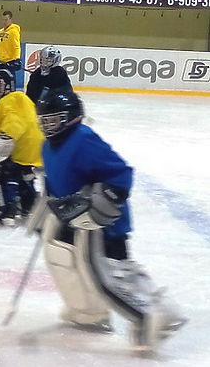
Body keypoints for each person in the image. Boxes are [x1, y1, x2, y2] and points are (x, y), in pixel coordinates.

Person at [32, 85, 186, 350]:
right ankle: (101, 312)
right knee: (114, 269)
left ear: (71, 117)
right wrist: (45, 210)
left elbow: (121, 173)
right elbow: (54, 183)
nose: (48, 127)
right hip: (76, 219)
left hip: (101, 223)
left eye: (54, 120)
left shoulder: (83, 139)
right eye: (44, 121)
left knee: (106, 278)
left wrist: (109, 198)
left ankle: (149, 318)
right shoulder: (49, 146)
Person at [0, 69, 44, 226]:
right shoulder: (20, 97)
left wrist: (4, 140)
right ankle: (29, 203)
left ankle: (7, 207)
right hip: (36, 146)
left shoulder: (6, 102)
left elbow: (14, 122)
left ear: (6, 87)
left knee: (3, 170)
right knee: (24, 175)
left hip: (22, 146)